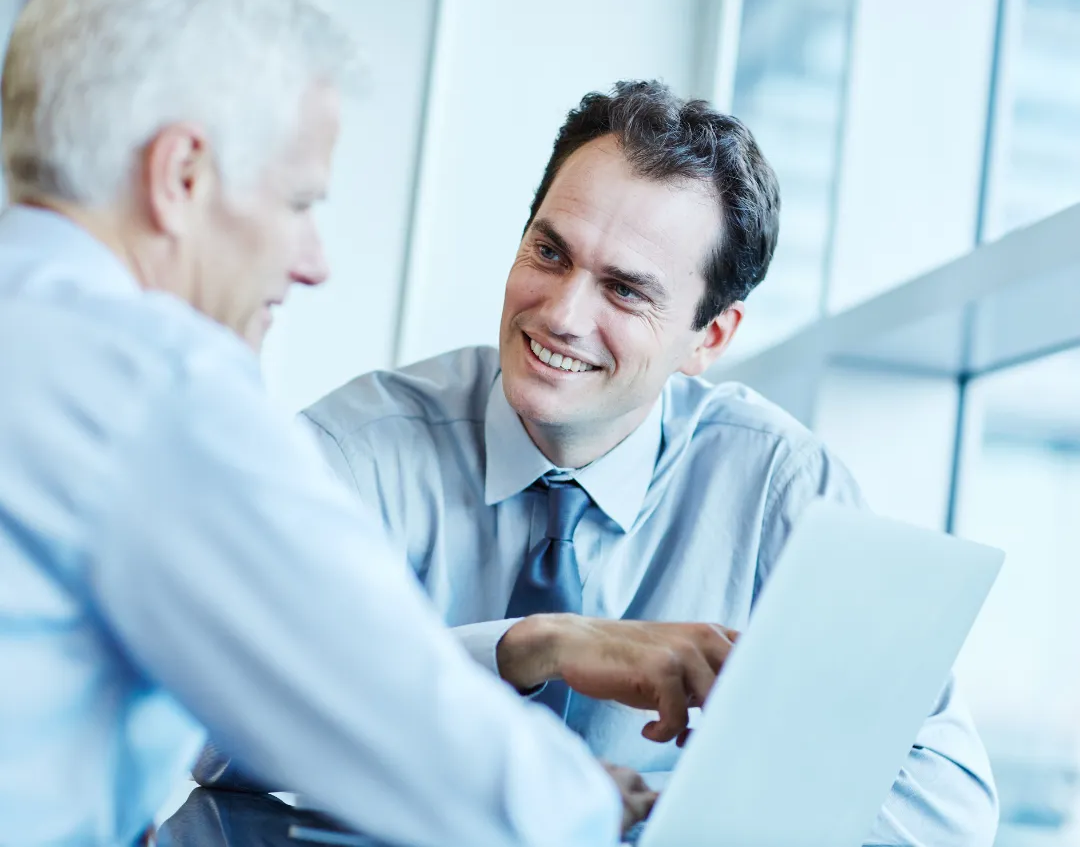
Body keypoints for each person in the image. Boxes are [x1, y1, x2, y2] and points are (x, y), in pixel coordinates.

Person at [0, 1, 673, 845]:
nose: (313, 261)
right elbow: (389, 718)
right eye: (298, 201)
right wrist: (603, 804)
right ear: (180, 178)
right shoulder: (153, 384)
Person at [290, 81, 999, 846]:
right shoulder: (354, 451)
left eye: (625, 291)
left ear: (710, 339)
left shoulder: (780, 487)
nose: (561, 315)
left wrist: (660, 812)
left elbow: (947, 801)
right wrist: (523, 647)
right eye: (549, 251)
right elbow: (210, 720)